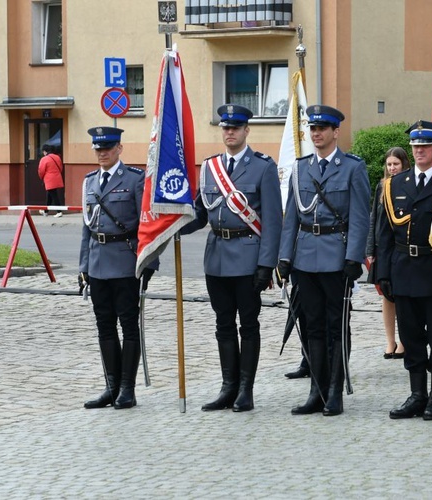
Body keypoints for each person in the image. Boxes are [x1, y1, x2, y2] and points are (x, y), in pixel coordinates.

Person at [180, 104, 282, 413]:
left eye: (235, 127)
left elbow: (274, 220)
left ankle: (245, 390)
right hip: (217, 258)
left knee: (248, 324)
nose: (230, 132)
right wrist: (172, 227)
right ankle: (228, 386)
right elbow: (200, 213)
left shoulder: (263, 166)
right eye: (225, 128)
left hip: (249, 255)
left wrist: (267, 264)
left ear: (246, 130)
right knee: (223, 323)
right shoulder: (211, 167)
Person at [277, 104, 371, 417]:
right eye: (312, 129)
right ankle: (315, 390)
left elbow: (359, 217)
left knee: (336, 327)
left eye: (322, 129)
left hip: (335, 257)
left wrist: (353, 258)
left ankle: (335, 391)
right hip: (304, 257)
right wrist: (285, 257)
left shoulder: (352, 168)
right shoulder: (301, 167)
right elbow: (291, 215)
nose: (316, 134)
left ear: (335, 132)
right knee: (311, 327)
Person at [375, 120, 432, 421]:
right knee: (410, 337)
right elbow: (385, 233)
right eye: (416, 146)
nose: (420, 150)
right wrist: (382, 273)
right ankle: (417, 394)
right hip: (404, 269)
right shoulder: (396, 183)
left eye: (426, 145)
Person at [79, 126, 157, 410]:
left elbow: (148, 224)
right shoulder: (89, 182)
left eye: (108, 148)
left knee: (128, 326)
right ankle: (111, 386)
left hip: (126, 262)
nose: (102, 153)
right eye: (98, 149)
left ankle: (127, 388)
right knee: (104, 327)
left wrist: (149, 261)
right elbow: (86, 228)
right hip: (98, 262)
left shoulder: (134, 180)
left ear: (119, 149)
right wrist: (83, 266)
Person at [365, 147, 410, 359]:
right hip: (383, 248)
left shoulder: (409, 185)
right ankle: (390, 341)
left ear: (404, 165)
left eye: (396, 164)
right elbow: (374, 218)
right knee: (386, 295)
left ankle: (404, 341)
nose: (392, 168)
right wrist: (370, 249)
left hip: (400, 247)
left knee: (401, 294)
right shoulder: (382, 186)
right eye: (389, 164)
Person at [38, 144, 65, 218]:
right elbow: (60, 168)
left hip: (49, 179)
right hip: (57, 178)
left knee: (54, 195)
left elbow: (41, 170)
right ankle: (45, 211)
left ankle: (59, 211)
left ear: (45, 151)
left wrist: (42, 177)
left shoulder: (44, 159)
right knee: (50, 194)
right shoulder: (57, 157)